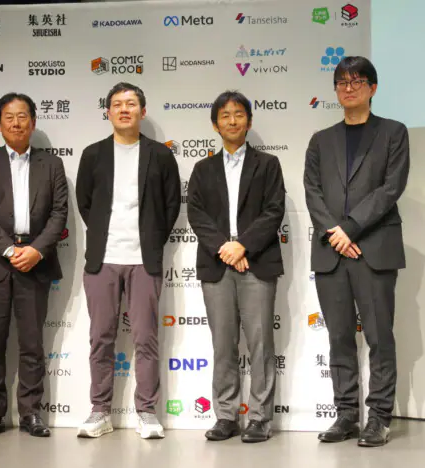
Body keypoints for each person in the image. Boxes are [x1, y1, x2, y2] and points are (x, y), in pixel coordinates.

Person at [304, 56, 410, 447]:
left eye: (357, 81)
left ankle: (379, 417)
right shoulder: (320, 140)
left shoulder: (394, 132)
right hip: (332, 253)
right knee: (339, 338)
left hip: (374, 249)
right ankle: (346, 415)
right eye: (342, 82)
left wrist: (349, 228)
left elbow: (390, 188)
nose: (349, 88)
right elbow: (312, 192)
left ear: (373, 88)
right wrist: (336, 235)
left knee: (380, 337)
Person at [75, 82, 180, 439]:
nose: (124, 109)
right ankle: (100, 411)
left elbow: (170, 206)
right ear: (107, 112)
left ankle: (147, 412)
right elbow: (85, 202)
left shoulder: (160, 155)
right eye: (117, 104)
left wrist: (150, 239)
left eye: (131, 104)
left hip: (143, 261)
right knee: (100, 338)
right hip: (102, 260)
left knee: (146, 338)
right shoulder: (93, 154)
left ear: (142, 112)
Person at [188, 91, 285, 443]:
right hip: (217, 264)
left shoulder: (268, 164)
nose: (232, 120)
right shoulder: (203, 169)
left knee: (260, 343)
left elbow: (274, 210)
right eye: (225, 115)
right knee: (223, 344)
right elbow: (196, 213)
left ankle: (259, 417)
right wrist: (225, 248)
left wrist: (242, 245)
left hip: (256, 262)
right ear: (215, 124)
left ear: (249, 120)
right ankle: (226, 415)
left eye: (239, 114)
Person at [0, 92, 68, 438]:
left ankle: (31, 413)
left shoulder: (51, 164)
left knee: (32, 343)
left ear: (33, 122)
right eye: (9, 117)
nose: (16, 123)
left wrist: (36, 250)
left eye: (22, 116)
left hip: (36, 262)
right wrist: (10, 250)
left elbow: (59, 214)